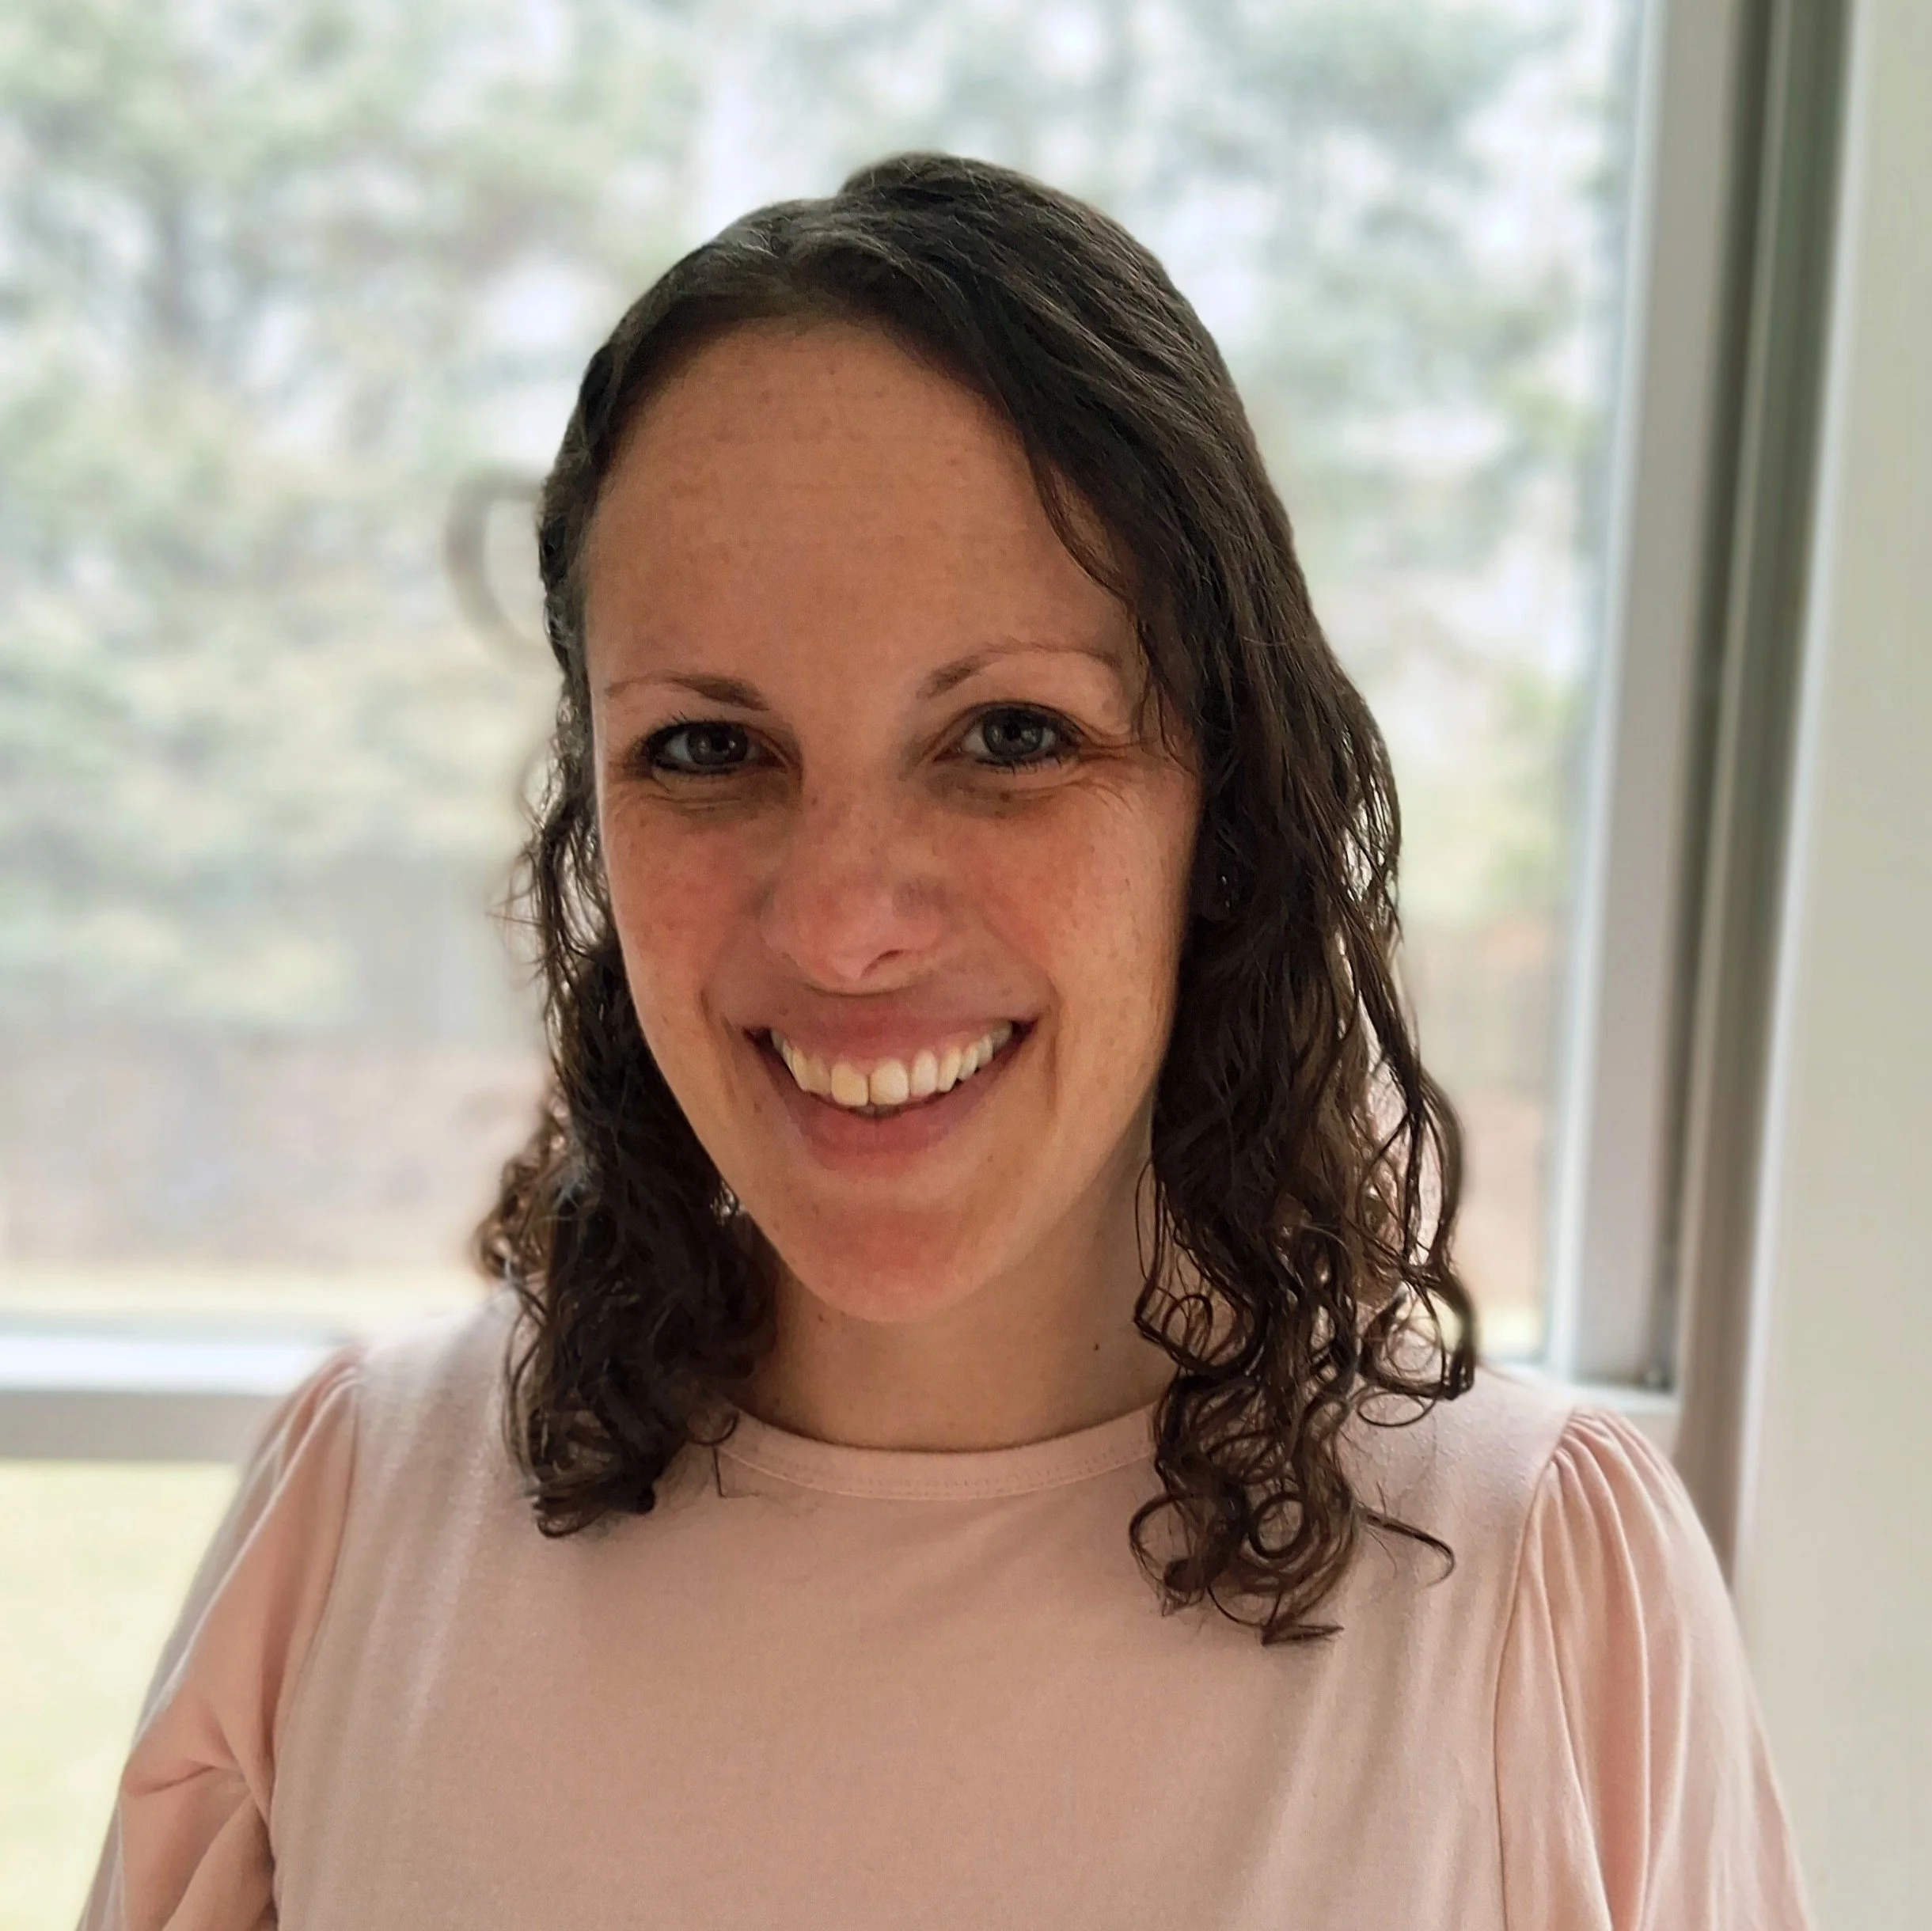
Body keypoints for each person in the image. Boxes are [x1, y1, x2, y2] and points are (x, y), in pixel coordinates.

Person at [81, 153, 1812, 1929]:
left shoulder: (1537, 1595)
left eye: (1008, 737)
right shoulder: (358, 1520)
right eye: (706, 749)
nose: (845, 924)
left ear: (1222, 807)